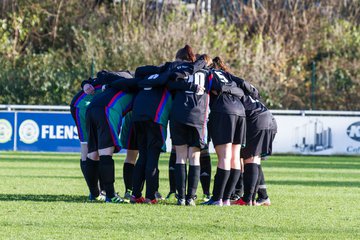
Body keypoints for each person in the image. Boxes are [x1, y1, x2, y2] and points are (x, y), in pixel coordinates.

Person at [70, 70, 126, 201]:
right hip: (82, 107)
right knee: (88, 147)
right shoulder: (115, 82)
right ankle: (95, 191)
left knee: (96, 149)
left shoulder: (107, 78)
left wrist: (84, 84)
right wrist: (85, 84)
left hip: (87, 107)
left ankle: (98, 191)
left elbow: (88, 82)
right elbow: (88, 83)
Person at [168, 50, 211, 206]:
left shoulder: (178, 69)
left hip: (178, 115)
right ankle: (191, 197)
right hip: (197, 117)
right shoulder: (208, 72)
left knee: (180, 156)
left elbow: (170, 84)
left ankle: (181, 197)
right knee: (195, 157)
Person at [85, 70, 134, 203]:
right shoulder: (134, 86)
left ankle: (94, 194)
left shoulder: (112, 83)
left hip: (91, 108)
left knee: (93, 154)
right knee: (106, 153)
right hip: (107, 109)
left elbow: (98, 77)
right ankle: (110, 195)